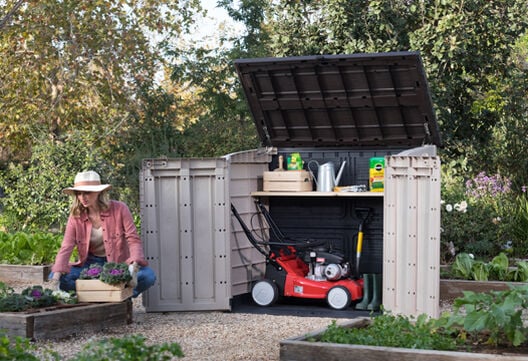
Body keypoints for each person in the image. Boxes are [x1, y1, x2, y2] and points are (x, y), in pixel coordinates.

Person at [49, 170, 156, 298]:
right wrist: (56, 278)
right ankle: (104, 293)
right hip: (90, 265)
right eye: (79, 193)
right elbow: (67, 246)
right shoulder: (76, 216)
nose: (83, 197)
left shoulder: (120, 209)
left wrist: (133, 267)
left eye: (87, 192)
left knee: (148, 276)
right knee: (58, 276)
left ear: (98, 192)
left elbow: (133, 239)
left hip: (118, 263)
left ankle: (119, 295)